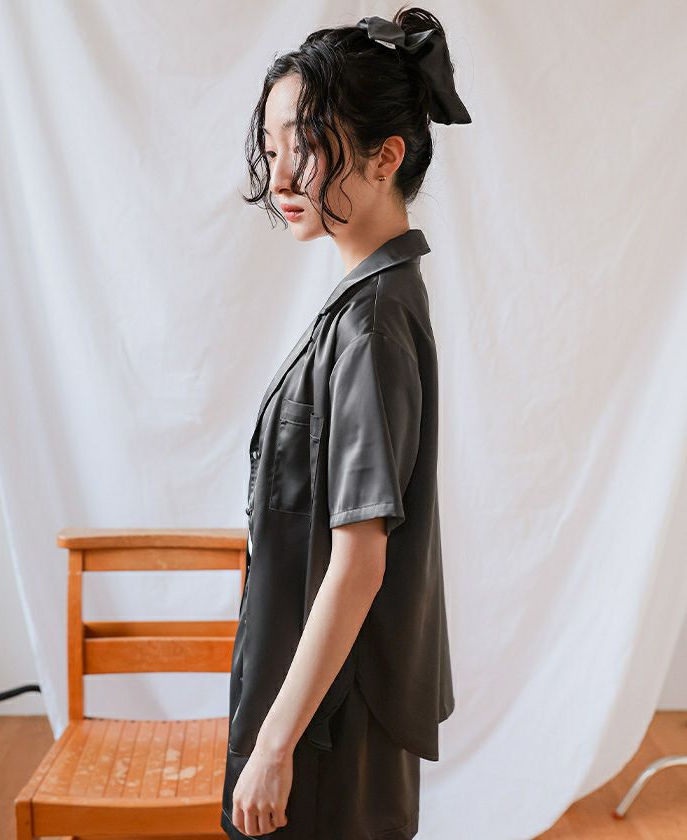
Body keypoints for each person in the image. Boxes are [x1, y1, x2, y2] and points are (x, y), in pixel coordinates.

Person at [220, 6, 471, 839]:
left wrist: (274, 747)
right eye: (271, 148)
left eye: (305, 143)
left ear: (384, 155)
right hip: (320, 695)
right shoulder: (369, 303)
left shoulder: (371, 324)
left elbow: (360, 562)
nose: (281, 175)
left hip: (331, 723)